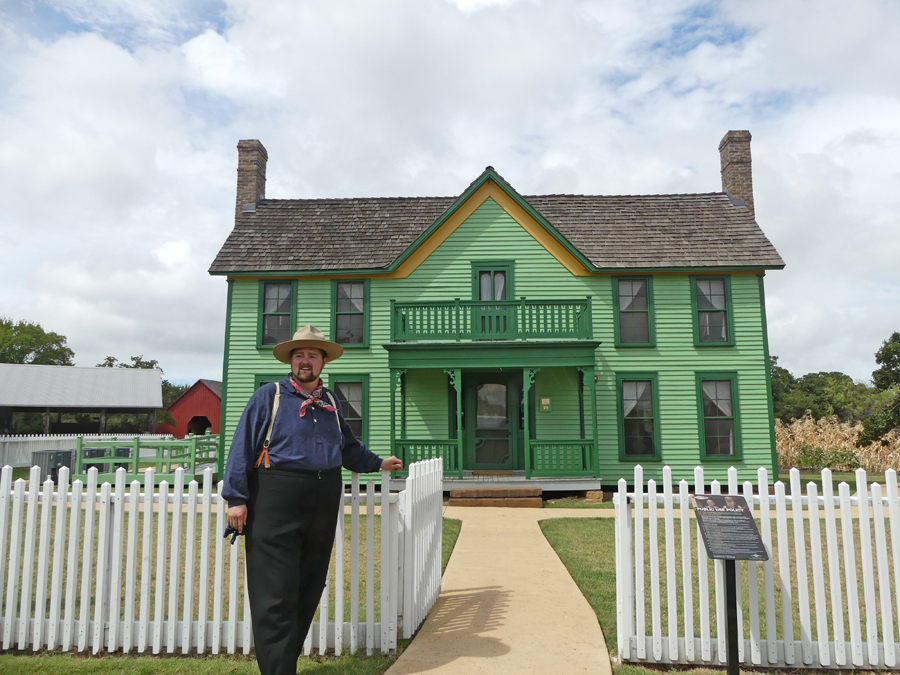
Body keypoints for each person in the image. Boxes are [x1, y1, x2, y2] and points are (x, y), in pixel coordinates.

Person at [223, 324, 402, 675]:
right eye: (300, 355)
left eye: (313, 355)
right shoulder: (269, 396)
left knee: (309, 583)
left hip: (324, 495)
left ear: (323, 362)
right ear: (291, 361)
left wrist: (377, 462)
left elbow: (348, 448)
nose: (306, 361)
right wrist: (236, 498)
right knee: (275, 587)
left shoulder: (331, 401)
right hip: (277, 495)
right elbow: (241, 447)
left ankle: (283, 663)